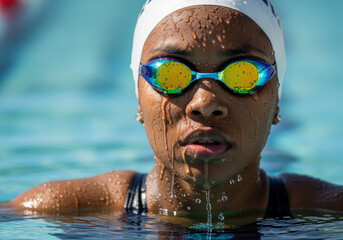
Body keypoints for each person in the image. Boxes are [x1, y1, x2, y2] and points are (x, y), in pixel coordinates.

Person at [6, 0, 343, 225]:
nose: (205, 103)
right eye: (172, 73)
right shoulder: (63, 211)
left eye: (242, 74)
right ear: (138, 98)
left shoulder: (328, 213)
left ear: (277, 100)